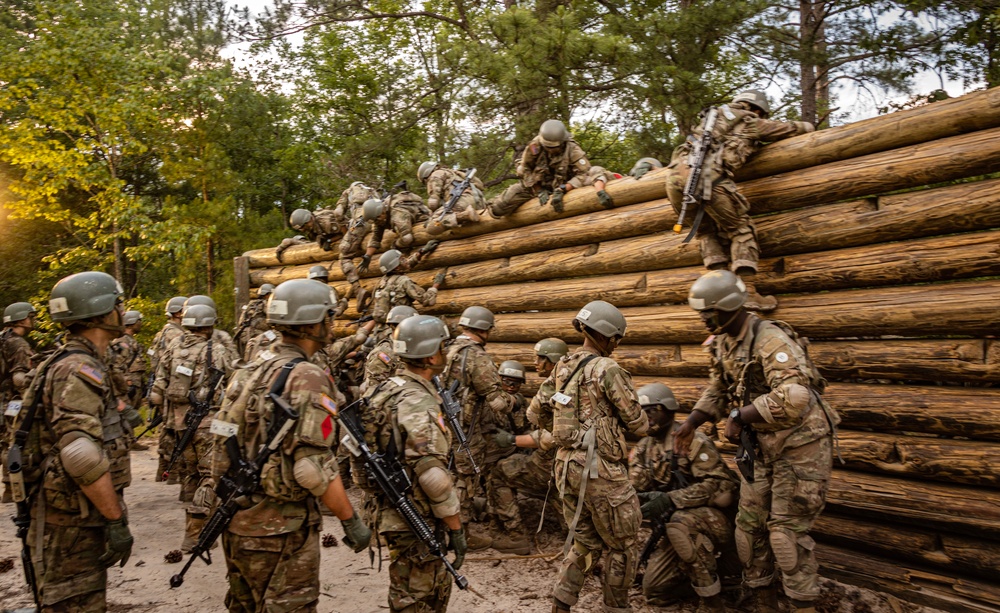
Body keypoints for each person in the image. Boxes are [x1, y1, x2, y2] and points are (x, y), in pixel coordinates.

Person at [675, 270, 840, 613]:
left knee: (785, 536)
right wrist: (691, 423)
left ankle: (802, 606)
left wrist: (739, 416)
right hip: (762, 448)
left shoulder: (770, 339)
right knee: (749, 531)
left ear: (730, 307)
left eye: (708, 313)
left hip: (800, 448)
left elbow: (796, 396)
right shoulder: (723, 341)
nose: (703, 320)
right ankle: (763, 603)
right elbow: (720, 388)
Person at [212, 278, 371, 612]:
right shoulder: (308, 376)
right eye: (328, 317)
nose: (331, 324)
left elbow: (221, 436)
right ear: (313, 323)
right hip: (281, 529)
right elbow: (312, 469)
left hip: (237, 519)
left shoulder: (247, 369)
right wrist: (350, 520)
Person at [14, 271, 133, 610]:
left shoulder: (72, 360)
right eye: (117, 304)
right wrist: (115, 520)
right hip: (70, 523)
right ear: (103, 312)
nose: (122, 311)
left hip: (68, 515)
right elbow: (80, 454)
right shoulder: (78, 368)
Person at [533, 300, 649, 613]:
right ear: (608, 336)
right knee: (623, 546)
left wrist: (564, 433)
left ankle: (561, 605)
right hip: (600, 472)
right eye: (617, 339)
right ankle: (616, 608)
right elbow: (638, 422)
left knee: (584, 542)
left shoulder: (562, 367)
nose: (616, 345)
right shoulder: (608, 369)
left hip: (565, 466)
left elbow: (536, 411)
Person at [666, 90, 814, 311]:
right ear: (756, 109)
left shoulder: (711, 119)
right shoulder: (748, 120)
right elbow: (789, 128)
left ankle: (718, 292)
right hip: (706, 178)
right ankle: (749, 293)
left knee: (705, 232)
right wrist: (808, 126)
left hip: (674, 180)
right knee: (741, 230)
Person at [364, 314, 466, 612]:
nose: (445, 352)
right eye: (442, 346)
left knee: (421, 588)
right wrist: (456, 528)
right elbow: (433, 477)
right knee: (416, 597)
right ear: (431, 354)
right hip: (416, 515)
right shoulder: (417, 400)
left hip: (392, 509)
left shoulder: (385, 388)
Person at [630, 383, 740, 611]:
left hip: (716, 524)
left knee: (682, 523)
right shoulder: (644, 448)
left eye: (652, 411)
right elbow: (635, 490)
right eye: (642, 412)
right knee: (654, 590)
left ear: (668, 410)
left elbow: (723, 486)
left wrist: (673, 499)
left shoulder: (693, 441)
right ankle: (717, 577)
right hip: (675, 527)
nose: (646, 418)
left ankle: (712, 602)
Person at [150, 303, 233, 549]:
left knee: (193, 474)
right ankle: (195, 534)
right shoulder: (215, 349)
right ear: (209, 325)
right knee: (212, 475)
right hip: (208, 423)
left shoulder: (173, 347)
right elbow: (234, 380)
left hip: (178, 423)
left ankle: (199, 526)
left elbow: (158, 386)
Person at [441, 306, 517, 551]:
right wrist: (513, 402)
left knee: (447, 474)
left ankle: (442, 526)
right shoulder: (476, 356)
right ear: (484, 329)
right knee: (465, 478)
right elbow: (496, 399)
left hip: (443, 424)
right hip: (465, 428)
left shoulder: (447, 349)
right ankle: (460, 535)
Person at [490, 338, 571, 547]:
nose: (536, 362)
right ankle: (576, 538)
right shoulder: (573, 383)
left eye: (540, 358)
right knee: (559, 497)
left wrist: (512, 440)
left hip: (549, 463)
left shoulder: (553, 390)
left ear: (551, 361)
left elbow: (549, 435)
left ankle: (515, 535)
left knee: (500, 472)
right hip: (568, 463)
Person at [488, 119, 614, 217]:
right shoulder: (535, 146)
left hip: (566, 185)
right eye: (548, 147)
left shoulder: (573, 149)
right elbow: (524, 169)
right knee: (499, 208)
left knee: (595, 175)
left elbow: (582, 174)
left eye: (554, 148)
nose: (551, 150)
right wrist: (538, 190)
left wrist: (563, 189)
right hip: (536, 185)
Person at [1, 301, 37, 502]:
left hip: (2, 398)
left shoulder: (2, 338)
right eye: (31, 317)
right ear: (22, 318)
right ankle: (9, 488)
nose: (33, 320)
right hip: (12, 401)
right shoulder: (20, 344)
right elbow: (18, 378)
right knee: (12, 442)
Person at [149, 295, 187, 481]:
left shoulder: (161, 333)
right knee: (175, 429)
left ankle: (163, 470)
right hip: (173, 386)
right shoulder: (178, 335)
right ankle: (174, 472)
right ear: (179, 313)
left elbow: (154, 360)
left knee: (167, 427)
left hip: (162, 384)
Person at [369, 249, 444, 325]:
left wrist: (419, 253)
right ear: (397, 267)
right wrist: (436, 284)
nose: (406, 260)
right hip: (403, 326)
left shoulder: (381, 282)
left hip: (385, 329)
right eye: (402, 259)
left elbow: (405, 265)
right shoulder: (404, 281)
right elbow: (428, 300)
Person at [107, 310, 147, 448]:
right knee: (126, 412)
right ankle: (127, 440)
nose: (140, 324)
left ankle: (131, 439)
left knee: (133, 409)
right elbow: (116, 364)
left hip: (135, 381)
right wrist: (126, 381)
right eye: (139, 321)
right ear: (131, 323)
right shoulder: (122, 341)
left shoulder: (131, 340)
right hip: (128, 383)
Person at [335, 182, 379, 301]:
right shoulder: (371, 190)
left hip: (359, 223)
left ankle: (358, 290)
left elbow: (338, 213)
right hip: (377, 222)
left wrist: (347, 232)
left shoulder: (348, 192)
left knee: (344, 256)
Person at [360, 187, 429, 260]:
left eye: (376, 219)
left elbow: (407, 238)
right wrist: (367, 256)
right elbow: (376, 237)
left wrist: (395, 245)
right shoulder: (382, 216)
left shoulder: (397, 215)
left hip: (422, 220)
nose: (376, 222)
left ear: (380, 214)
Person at [417, 162, 486, 235]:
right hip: (480, 202)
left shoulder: (435, 174)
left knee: (431, 226)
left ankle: (465, 215)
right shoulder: (455, 173)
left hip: (462, 201)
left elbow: (433, 203)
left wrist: (431, 215)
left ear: (426, 174)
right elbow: (481, 186)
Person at [363, 304, 417, 391]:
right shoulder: (382, 354)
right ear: (395, 327)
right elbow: (373, 393)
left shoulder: (410, 348)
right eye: (411, 327)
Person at [275, 208, 346, 261]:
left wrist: (329, 240)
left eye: (303, 227)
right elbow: (312, 245)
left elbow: (347, 233)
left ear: (308, 221)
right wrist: (284, 244)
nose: (302, 230)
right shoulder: (312, 227)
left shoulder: (327, 222)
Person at [235, 284, 273, 356]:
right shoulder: (265, 304)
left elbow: (241, 322)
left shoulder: (250, 304)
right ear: (267, 295)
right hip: (258, 336)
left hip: (243, 336)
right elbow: (272, 318)